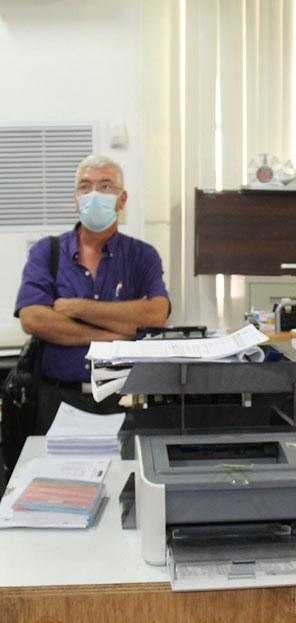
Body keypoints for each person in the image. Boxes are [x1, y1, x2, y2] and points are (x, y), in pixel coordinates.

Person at [13, 154, 169, 440]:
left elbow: (154, 316)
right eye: (85, 186)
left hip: (125, 400)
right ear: (76, 199)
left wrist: (74, 307)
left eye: (106, 186)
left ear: (122, 201)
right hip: (58, 400)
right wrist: (112, 334)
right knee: (57, 481)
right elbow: (33, 319)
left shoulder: (142, 256)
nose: (94, 194)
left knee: (126, 481)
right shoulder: (47, 252)